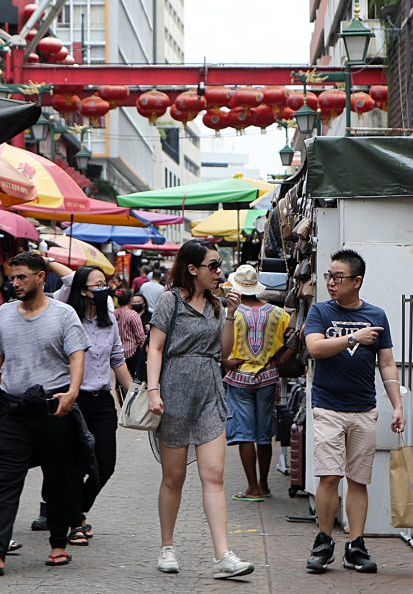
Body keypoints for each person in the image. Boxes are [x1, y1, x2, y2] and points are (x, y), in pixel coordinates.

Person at [0, 252, 90, 577]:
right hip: (13, 409)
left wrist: (73, 391)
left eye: (21, 277)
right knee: (6, 480)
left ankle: (58, 544)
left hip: (54, 407)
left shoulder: (64, 314)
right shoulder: (5, 314)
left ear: (40, 277)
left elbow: (77, 356)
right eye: (12, 278)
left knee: (57, 481)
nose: (15, 283)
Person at [146, 239, 255, 580]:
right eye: (213, 266)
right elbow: (155, 348)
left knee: (214, 476)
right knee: (174, 477)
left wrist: (233, 314)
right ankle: (167, 546)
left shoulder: (218, 305)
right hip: (175, 392)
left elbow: (223, 352)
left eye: (219, 266)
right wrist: (153, 390)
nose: (219, 272)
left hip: (210, 392)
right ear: (193, 269)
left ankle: (223, 554)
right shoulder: (169, 301)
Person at [302, 248, 405, 575]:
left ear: (357, 281)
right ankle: (323, 541)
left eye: (338, 277)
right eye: (328, 276)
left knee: (358, 480)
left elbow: (386, 363)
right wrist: (353, 338)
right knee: (329, 475)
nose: (331, 282)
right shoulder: (319, 311)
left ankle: (356, 546)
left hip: (364, 409)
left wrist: (398, 404)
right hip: (328, 407)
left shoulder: (377, 315)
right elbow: (315, 348)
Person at [46, 261, 134, 545]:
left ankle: (77, 510)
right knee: (74, 465)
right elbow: (70, 280)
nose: (104, 288)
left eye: (104, 283)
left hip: (102, 400)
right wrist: (45, 260)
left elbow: (117, 358)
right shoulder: (65, 315)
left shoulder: (108, 314)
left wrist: (133, 395)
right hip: (73, 400)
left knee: (104, 465)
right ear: (82, 291)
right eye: (97, 284)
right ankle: (74, 522)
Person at [221, 265, 292, 502]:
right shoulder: (278, 314)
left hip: (239, 378)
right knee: (263, 435)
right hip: (268, 377)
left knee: (245, 433)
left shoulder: (232, 314)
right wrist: (280, 360)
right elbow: (294, 339)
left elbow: (222, 347)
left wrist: (225, 360)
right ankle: (264, 484)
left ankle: (252, 487)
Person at [114, 288, 147, 382]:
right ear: (130, 300)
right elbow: (140, 337)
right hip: (133, 352)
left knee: (121, 382)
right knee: (137, 381)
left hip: (118, 352)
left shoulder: (114, 313)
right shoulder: (132, 314)